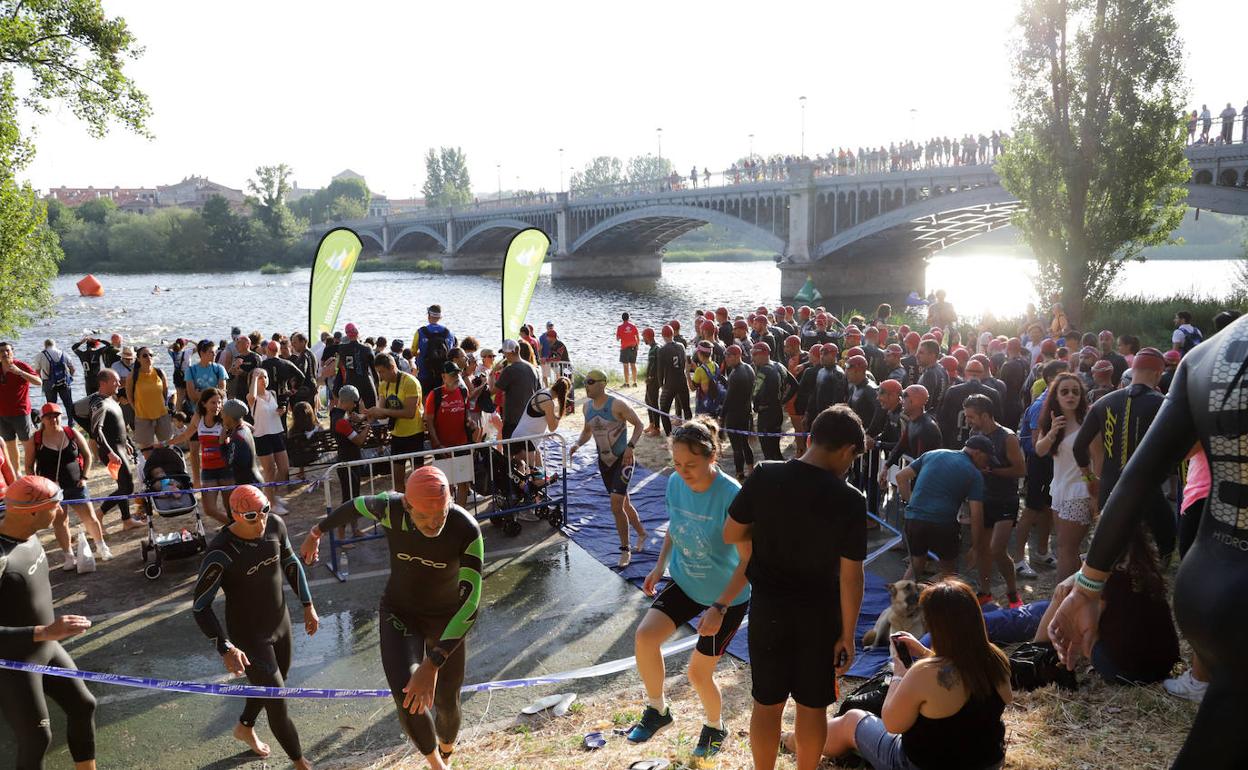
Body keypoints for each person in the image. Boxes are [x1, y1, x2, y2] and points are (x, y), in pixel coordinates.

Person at [301, 466, 482, 770]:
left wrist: (433, 663)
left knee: (447, 704)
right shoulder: (389, 508)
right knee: (407, 697)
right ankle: (438, 766)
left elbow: (470, 605)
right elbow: (354, 506)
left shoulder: (466, 529)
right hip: (401, 613)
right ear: (408, 506)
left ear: (449, 503)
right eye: (424, 517)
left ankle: (447, 752)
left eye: (441, 514)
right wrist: (315, 533)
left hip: (446, 619)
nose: (433, 524)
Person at [724, 405, 867, 770]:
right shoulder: (850, 499)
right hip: (819, 616)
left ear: (809, 437)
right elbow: (852, 576)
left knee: (767, 703)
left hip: (768, 609)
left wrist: (766, 537)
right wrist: (848, 635)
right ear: (848, 450)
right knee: (812, 706)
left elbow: (731, 532)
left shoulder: (766, 475)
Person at [629, 418, 749, 759]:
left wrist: (720, 607)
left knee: (698, 673)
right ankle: (658, 710)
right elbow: (674, 525)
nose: (683, 472)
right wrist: (659, 564)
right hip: (686, 580)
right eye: (678, 464)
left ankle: (715, 726)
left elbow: (748, 562)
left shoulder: (732, 495)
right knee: (645, 637)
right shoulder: (675, 484)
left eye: (691, 465)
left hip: (727, 594)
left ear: (712, 457)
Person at [811, 580, 1011, 770]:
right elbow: (963, 674)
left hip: (918, 765)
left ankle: (795, 740)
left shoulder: (925, 673)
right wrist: (925, 653)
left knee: (852, 719)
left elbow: (892, 724)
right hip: (988, 763)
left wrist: (899, 671)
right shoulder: (996, 658)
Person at [191, 484, 317, 769]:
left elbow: (289, 560)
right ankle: (300, 763)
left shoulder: (275, 525)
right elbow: (200, 606)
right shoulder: (220, 553)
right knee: (277, 698)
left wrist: (308, 605)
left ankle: (244, 727)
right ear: (234, 515)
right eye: (251, 516)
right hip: (249, 635)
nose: (260, 522)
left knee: (271, 684)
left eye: (264, 512)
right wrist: (225, 647)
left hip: (280, 622)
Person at [0, 475, 98, 770]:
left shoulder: (27, 531)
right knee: (37, 739)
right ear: (32, 512)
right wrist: (46, 630)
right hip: (12, 662)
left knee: (83, 705)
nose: (61, 511)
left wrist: (49, 634)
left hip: (46, 646)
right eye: (55, 506)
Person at [1033, 527, 1178, 687]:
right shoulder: (1146, 566)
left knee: (1065, 595)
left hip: (1127, 673)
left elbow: (1088, 625)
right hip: (1165, 666)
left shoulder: (1106, 580)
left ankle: (1035, 656)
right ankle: (1038, 652)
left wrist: (1074, 580)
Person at [1072, 347, 1174, 559]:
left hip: (1109, 488)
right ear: (1158, 374)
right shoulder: (1164, 405)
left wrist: (1090, 477)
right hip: (1147, 491)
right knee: (1162, 549)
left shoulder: (1102, 403)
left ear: (1132, 370)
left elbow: (1078, 447)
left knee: (1109, 555)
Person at [570, 370, 647, 568]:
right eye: (585, 382)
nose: (586, 385)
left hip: (623, 460)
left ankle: (625, 549)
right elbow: (587, 431)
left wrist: (630, 447)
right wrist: (578, 444)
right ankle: (642, 533)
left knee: (616, 505)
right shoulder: (586, 408)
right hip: (604, 462)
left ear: (602, 384)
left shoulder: (617, 405)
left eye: (590, 381)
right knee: (624, 504)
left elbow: (639, 425)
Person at [893, 437, 993, 580]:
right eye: (987, 459)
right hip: (943, 523)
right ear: (978, 453)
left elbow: (901, 477)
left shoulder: (933, 454)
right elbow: (977, 514)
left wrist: (912, 503)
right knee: (948, 571)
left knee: (916, 564)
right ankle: (945, 600)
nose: (987, 465)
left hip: (914, 519)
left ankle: (900, 600)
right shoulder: (974, 474)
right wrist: (976, 548)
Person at [28, 402, 111, 569]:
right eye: (49, 416)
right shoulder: (35, 439)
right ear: (42, 419)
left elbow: (87, 456)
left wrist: (85, 477)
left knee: (90, 518)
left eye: (56, 415)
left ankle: (102, 547)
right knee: (60, 522)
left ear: (61, 416)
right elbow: (29, 466)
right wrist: (39, 485)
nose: (53, 419)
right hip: (51, 490)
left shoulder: (71, 433)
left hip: (76, 484)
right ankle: (69, 556)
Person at [963, 395, 1025, 608]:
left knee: (998, 549)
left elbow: (1021, 470)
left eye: (971, 417)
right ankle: (985, 591)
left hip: (1006, 498)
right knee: (981, 548)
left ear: (986, 415)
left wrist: (993, 471)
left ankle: (1013, 593)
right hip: (983, 498)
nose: (968, 421)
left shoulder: (1008, 437)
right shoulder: (975, 434)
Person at [1033, 372, 1092, 582]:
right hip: (1059, 488)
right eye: (1064, 391)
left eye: (1075, 392)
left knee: (1066, 549)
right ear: (1055, 396)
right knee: (1066, 547)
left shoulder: (1088, 422)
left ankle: (1060, 600)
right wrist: (1052, 433)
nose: (1070, 396)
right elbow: (1039, 451)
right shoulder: (1051, 420)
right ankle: (1073, 594)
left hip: (1080, 491)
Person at [87, 368, 145, 530]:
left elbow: (115, 425)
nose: (119, 384)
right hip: (111, 451)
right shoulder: (99, 403)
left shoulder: (110, 399)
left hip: (118, 447)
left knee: (124, 485)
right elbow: (96, 430)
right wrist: (110, 452)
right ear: (103, 383)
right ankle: (100, 513)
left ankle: (126, 520)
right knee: (127, 487)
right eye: (115, 381)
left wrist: (125, 441)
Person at [168, 387, 230, 524]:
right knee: (209, 509)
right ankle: (232, 525)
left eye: (219, 403)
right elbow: (185, 435)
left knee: (230, 507)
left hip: (226, 469)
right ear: (204, 404)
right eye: (213, 403)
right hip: (208, 470)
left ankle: (235, 530)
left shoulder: (225, 418)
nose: (217, 406)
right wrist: (166, 443)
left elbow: (243, 426)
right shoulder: (198, 418)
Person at [426, 362, 484, 507]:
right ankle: (448, 514)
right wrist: (437, 444)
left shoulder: (463, 392)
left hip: (462, 444)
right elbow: (429, 422)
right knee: (446, 485)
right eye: (453, 375)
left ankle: (460, 514)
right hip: (443, 447)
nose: (456, 377)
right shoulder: (435, 395)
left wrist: (471, 423)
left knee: (463, 482)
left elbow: (465, 416)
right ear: (443, 376)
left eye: (457, 374)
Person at [367, 353, 425, 492]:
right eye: (378, 372)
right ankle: (403, 509)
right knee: (397, 479)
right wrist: (367, 415)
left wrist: (384, 412)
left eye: (382, 372)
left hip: (414, 434)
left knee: (418, 479)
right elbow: (381, 412)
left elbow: (409, 413)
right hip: (397, 435)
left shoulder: (410, 382)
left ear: (392, 367)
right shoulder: (383, 384)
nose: (380, 376)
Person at [248, 369, 290, 514]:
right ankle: (271, 504)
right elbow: (252, 395)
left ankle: (270, 495)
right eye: (260, 378)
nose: (264, 380)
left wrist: (282, 410)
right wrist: (254, 376)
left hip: (277, 433)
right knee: (270, 470)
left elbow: (275, 412)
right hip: (262, 436)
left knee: (284, 469)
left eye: (265, 377)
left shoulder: (272, 393)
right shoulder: (252, 397)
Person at [936, 360, 1001, 450]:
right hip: (982, 445)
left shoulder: (953, 391)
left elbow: (942, 419)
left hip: (956, 442)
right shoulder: (993, 394)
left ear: (965, 373)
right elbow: (998, 421)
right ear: (982, 374)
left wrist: (946, 443)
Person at [750, 342, 796, 461]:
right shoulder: (779, 365)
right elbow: (795, 385)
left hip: (766, 415)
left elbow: (755, 394)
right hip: (777, 412)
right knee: (775, 449)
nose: (752, 358)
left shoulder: (764, 371)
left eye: (755, 355)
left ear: (763, 354)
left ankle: (772, 477)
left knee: (768, 452)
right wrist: (783, 401)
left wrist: (756, 407)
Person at [0, 340, 40, 475]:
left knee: (27, 443)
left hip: (20, 412)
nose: (5, 353)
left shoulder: (20, 366)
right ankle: (17, 474)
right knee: (10, 444)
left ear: (12, 352)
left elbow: (39, 382)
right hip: (2, 414)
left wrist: (20, 372)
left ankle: (30, 471)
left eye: (7, 350)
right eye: (2, 351)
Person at [720, 344, 756, 481]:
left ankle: (740, 474)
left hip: (734, 415)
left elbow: (728, 399)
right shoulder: (749, 368)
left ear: (737, 356)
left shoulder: (735, 374)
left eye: (729, 356)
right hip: (746, 412)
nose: (726, 359)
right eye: (725, 356)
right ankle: (751, 469)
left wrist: (721, 416)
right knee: (745, 443)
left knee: (736, 447)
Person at [493, 340, 540, 441]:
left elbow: (493, 391)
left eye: (504, 353)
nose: (504, 356)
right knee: (529, 451)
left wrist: (493, 372)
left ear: (509, 353)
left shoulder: (509, 370)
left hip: (513, 421)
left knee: (511, 453)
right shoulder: (534, 369)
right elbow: (538, 392)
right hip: (529, 419)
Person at [323, 323, 378, 409]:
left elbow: (338, 364)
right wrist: (378, 383)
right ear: (357, 333)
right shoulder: (367, 349)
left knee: (351, 411)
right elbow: (374, 370)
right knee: (372, 408)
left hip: (351, 382)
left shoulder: (342, 349)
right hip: (365, 381)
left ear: (347, 335)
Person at [127, 346, 172, 452]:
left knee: (167, 448)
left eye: (151, 355)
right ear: (138, 359)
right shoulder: (133, 375)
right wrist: (137, 410)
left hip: (162, 415)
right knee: (147, 451)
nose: (148, 357)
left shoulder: (160, 373)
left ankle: (166, 467)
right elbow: (130, 397)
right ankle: (151, 468)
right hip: (143, 417)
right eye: (145, 355)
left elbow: (165, 393)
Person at [413, 306, 456, 397]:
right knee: (442, 398)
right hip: (443, 374)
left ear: (428, 316)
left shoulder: (420, 332)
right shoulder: (449, 333)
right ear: (440, 317)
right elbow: (451, 353)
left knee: (425, 399)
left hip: (425, 372)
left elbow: (413, 351)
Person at [656, 325, 690, 436]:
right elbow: (684, 363)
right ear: (672, 334)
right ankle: (691, 434)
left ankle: (670, 438)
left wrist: (661, 385)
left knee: (663, 411)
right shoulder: (681, 346)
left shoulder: (662, 350)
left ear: (663, 336)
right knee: (687, 408)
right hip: (682, 380)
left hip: (670, 384)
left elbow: (660, 371)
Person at [36, 340, 76, 426]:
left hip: (48, 383)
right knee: (68, 404)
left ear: (45, 345)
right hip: (64, 382)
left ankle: (53, 424)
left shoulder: (41, 355)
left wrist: (41, 380)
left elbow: (37, 371)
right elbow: (73, 368)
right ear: (54, 344)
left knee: (51, 406)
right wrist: (70, 378)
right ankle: (71, 424)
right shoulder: (63, 353)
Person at [641, 328, 662, 436]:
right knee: (648, 400)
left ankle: (657, 428)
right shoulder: (654, 347)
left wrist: (650, 377)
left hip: (654, 380)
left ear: (648, 336)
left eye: (643, 336)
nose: (642, 338)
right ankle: (652, 423)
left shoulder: (655, 348)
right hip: (652, 379)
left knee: (653, 402)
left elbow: (655, 366)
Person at [617, 312, 640, 387]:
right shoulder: (633, 326)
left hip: (625, 348)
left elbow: (617, 338)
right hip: (634, 347)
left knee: (625, 366)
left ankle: (627, 383)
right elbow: (637, 336)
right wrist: (638, 346)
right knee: (633, 364)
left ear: (622, 318)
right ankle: (635, 382)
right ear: (628, 318)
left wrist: (623, 335)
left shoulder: (620, 327)